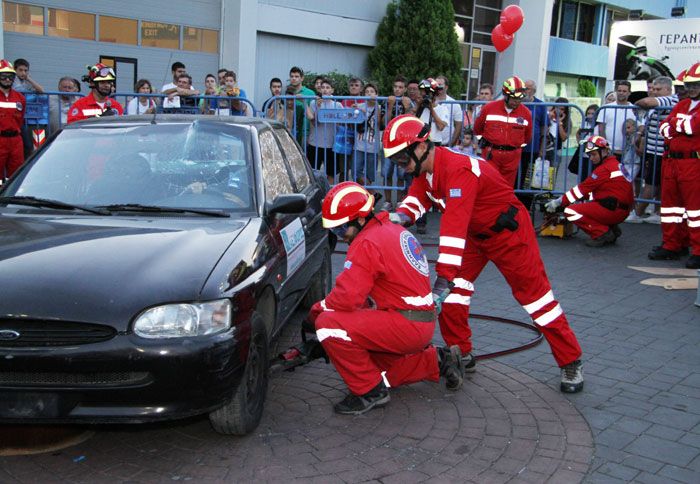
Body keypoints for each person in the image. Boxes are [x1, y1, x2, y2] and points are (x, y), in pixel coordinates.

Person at [383, 114, 584, 393]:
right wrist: (399, 217)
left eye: (402, 160)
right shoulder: (427, 170)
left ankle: (570, 361)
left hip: (509, 235)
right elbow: (418, 198)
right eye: (396, 163)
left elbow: (453, 228)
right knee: (453, 297)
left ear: (420, 147)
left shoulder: (458, 171)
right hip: (476, 238)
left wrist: (444, 278)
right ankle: (461, 353)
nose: (403, 169)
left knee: (538, 301)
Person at [309, 181, 464, 415]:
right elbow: (362, 296)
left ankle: (370, 393)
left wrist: (317, 311)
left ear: (360, 219)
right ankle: (439, 361)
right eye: (334, 231)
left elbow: (347, 298)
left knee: (328, 326)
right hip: (418, 321)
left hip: (404, 324)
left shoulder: (367, 242)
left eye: (341, 229)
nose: (340, 236)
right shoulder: (391, 230)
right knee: (378, 371)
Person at [650, 62, 700, 269]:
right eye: (690, 84)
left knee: (695, 211)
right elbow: (665, 130)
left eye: (697, 84)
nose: (692, 88)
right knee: (670, 208)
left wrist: (677, 125)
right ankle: (672, 245)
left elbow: (692, 126)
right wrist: (679, 125)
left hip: (692, 163)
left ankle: (697, 250)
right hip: (671, 161)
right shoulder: (682, 105)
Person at [546, 136, 634, 247]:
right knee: (590, 205)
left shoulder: (603, 169)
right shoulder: (616, 164)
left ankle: (601, 233)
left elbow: (580, 190)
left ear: (604, 152)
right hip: (621, 209)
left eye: (594, 155)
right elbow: (595, 192)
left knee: (571, 212)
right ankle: (611, 228)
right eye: (590, 155)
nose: (591, 158)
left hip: (614, 210)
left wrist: (558, 202)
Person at [628, 76, 679, 224]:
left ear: (668, 90)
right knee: (657, 182)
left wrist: (637, 103)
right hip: (653, 151)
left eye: (658, 89)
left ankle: (637, 213)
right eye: (653, 89)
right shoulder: (660, 103)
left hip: (660, 151)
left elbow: (645, 102)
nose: (654, 92)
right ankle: (658, 211)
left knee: (650, 184)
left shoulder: (668, 100)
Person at [473, 76, 532, 187]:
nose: (517, 102)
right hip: (491, 154)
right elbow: (477, 129)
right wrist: (486, 144)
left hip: (512, 158)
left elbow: (527, 137)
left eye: (519, 99)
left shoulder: (526, 113)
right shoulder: (488, 108)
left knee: (506, 188)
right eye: (514, 98)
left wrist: (515, 148)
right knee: (488, 185)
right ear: (506, 95)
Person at [517, 79, 549, 202]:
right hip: (516, 147)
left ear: (534, 91)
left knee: (528, 180)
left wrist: (542, 148)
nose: (525, 91)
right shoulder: (517, 103)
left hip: (532, 149)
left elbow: (544, 127)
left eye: (528, 88)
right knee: (515, 178)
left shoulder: (540, 105)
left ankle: (526, 205)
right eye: (523, 88)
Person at [306, 78, 342, 184]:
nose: (325, 90)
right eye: (323, 87)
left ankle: (328, 194)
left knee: (331, 172)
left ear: (332, 90)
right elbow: (314, 123)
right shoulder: (314, 102)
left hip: (331, 144)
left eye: (327, 87)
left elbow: (341, 123)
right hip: (315, 143)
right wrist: (318, 107)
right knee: (312, 171)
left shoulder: (338, 105)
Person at [596, 80, 636, 158]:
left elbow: (639, 127)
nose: (621, 93)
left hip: (628, 152)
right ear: (616, 91)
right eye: (619, 90)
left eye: (624, 91)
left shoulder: (634, 109)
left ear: (629, 93)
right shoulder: (605, 108)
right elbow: (601, 129)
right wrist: (605, 147)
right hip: (609, 150)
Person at [353, 83, 383, 185]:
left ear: (376, 94)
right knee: (356, 171)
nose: (369, 94)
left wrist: (367, 111)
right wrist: (354, 111)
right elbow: (353, 122)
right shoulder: (359, 106)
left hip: (373, 145)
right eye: (367, 92)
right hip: (359, 143)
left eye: (372, 92)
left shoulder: (379, 107)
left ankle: (368, 193)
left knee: (370, 173)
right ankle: (372, 193)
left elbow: (378, 123)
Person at [0, 60, 26, 179]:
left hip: (16, 140)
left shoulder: (20, 97)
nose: (7, 79)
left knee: (16, 175)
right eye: (4, 76)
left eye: (10, 76)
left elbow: (20, 119)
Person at [436, 75, 463, 147]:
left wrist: (452, 143)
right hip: (431, 143)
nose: (438, 87)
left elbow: (458, 125)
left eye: (440, 84)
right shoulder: (429, 102)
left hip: (446, 144)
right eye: (436, 84)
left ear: (446, 87)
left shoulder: (454, 103)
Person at [545, 97, 571, 166]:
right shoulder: (547, 115)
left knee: (552, 173)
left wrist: (559, 123)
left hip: (556, 150)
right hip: (543, 148)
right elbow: (544, 131)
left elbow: (563, 138)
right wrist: (548, 119)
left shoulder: (567, 121)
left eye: (562, 109)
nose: (559, 110)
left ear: (565, 111)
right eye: (557, 107)